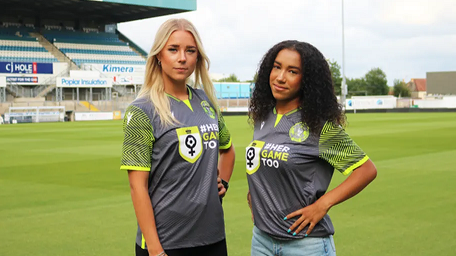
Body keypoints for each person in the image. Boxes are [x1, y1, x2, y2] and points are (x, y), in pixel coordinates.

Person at [246, 40, 377, 255]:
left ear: (306, 80)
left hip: (305, 244)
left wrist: (322, 205)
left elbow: (366, 170)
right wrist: (254, 197)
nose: (280, 77)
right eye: (277, 67)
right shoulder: (264, 117)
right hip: (261, 240)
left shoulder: (319, 127)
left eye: (292, 71)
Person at [120, 18, 235, 256]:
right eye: (173, 49)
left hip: (213, 237)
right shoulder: (142, 110)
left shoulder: (206, 102)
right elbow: (137, 186)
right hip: (166, 243)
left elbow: (228, 150)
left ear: (197, 57)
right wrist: (155, 249)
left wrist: (222, 183)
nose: (182, 58)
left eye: (190, 51)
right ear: (158, 56)